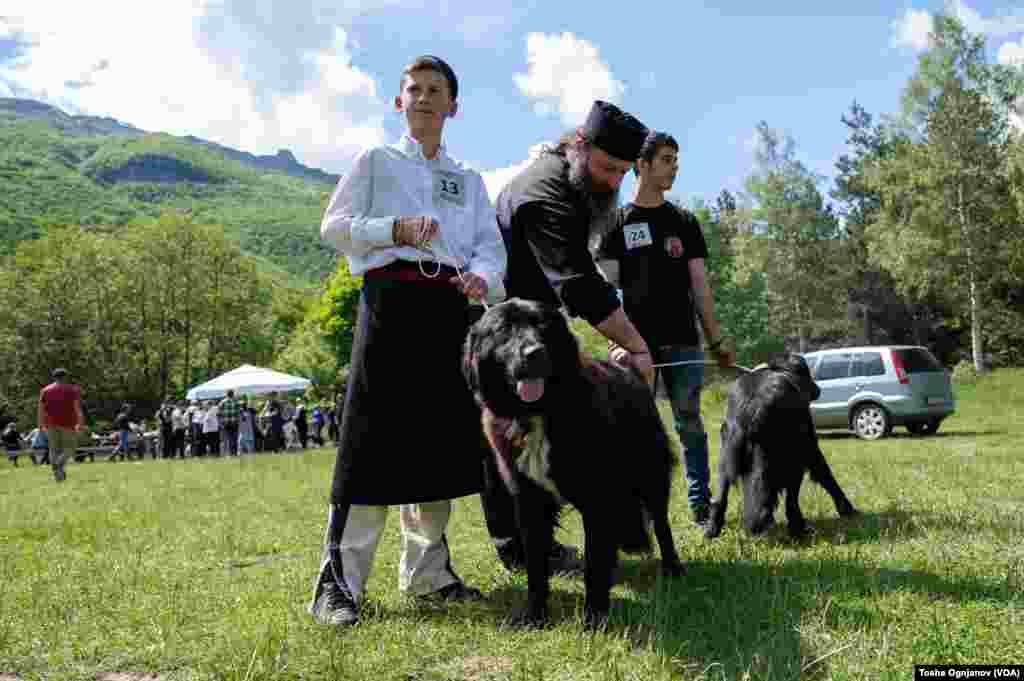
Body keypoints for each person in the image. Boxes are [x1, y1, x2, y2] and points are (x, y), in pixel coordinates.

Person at [311, 54, 506, 627]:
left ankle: (428, 576)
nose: (423, 97)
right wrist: (391, 230)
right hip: (390, 302)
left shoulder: (467, 180)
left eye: (435, 90)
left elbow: (491, 248)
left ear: (453, 105)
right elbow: (334, 227)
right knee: (370, 443)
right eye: (413, 89)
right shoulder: (375, 161)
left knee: (438, 443)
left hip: (449, 310)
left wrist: (482, 277)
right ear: (399, 101)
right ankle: (338, 584)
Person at [477, 100, 651, 575]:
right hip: (504, 338)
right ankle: (518, 547)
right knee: (507, 436)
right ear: (579, 144)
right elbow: (577, 284)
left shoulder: (570, 182)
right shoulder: (544, 192)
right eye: (607, 168)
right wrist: (636, 345)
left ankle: (549, 539)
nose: (614, 182)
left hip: (535, 331)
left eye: (622, 173)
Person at [594, 130, 735, 526]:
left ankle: (700, 504)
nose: (674, 167)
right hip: (636, 350)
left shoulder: (684, 222)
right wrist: (617, 344)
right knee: (637, 432)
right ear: (642, 165)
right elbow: (604, 294)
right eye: (667, 159)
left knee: (690, 424)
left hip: (684, 344)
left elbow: (701, 288)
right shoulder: (616, 224)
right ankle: (641, 510)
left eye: (675, 159)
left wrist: (716, 339)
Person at [38, 367, 84, 482]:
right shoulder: (72, 389)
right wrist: (80, 423)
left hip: (49, 423)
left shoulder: (45, 390)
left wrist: (40, 424)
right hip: (68, 423)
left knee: (53, 449)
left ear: (54, 377)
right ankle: (58, 465)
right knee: (70, 448)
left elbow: (40, 409)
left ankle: (58, 474)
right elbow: (77, 407)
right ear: (65, 377)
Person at [219, 390, 241, 456]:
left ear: (226, 394)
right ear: (232, 394)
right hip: (235, 423)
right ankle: (234, 452)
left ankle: (229, 453)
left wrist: (221, 421)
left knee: (228, 438)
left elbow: (218, 413)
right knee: (235, 438)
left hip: (226, 423)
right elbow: (239, 412)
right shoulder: (236, 402)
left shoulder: (222, 402)